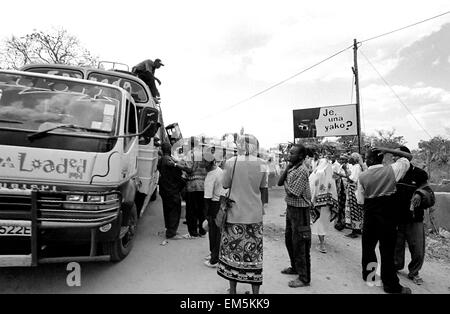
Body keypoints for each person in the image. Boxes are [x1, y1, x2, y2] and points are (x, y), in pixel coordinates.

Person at [356, 147, 413, 294]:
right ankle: (390, 285)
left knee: (368, 248)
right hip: (388, 217)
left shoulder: (362, 176)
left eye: (367, 158)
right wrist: (388, 150)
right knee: (387, 251)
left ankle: (370, 276)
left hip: (370, 216)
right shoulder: (392, 170)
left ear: (371, 160)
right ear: (382, 158)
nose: (366, 160)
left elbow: (360, 200)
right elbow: (408, 157)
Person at [217, 134, 268, 294]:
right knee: (254, 257)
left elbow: (225, 184)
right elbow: (263, 187)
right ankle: (255, 294)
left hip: (235, 215)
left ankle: (232, 291)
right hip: (254, 216)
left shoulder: (232, 162)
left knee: (233, 254)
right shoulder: (262, 164)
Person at [394, 146, 429, 285]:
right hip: (397, 217)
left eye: (397, 156)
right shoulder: (394, 172)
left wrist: (420, 194)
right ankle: (395, 267)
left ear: (406, 158)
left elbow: (427, 190)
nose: (394, 158)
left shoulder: (420, 174)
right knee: (396, 245)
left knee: (418, 249)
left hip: (415, 218)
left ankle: (414, 272)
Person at [278, 143, 312, 288]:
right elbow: (280, 182)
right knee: (289, 240)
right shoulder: (293, 168)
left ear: (300, 156)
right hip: (291, 208)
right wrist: (287, 168)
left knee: (300, 244)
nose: (289, 155)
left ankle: (304, 278)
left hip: (300, 210)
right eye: (289, 152)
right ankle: (295, 267)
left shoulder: (303, 170)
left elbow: (293, 192)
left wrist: (286, 182)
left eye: (292, 153)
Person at [157, 142, 187, 240]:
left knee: (167, 210)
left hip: (164, 190)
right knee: (174, 211)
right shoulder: (170, 162)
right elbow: (178, 176)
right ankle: (171, 233)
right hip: (172, 190)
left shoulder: (161, 160)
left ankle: (169, 229)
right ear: (170, 150)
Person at [310, 158, 339, 253]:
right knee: (323, 222)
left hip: (318, 202)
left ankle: (322, 244)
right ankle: (322, 241)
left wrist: (312, 198)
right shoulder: (330, 175)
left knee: (319, 222)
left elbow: (312, 185)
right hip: (328, 203)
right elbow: (334, 190)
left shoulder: (317, 172)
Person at [203, 153, 226, 268]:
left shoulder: (211, 175)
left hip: (214, 203)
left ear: (208, 163)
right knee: (217, 231)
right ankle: (214, 254)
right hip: (221, 202)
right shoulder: (219, 170)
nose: (202, 165)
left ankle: (214, 259)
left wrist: (207, 215)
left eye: (203, 163)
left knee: (214, 231)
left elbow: (207, 198)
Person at [184, 148, 208, 239]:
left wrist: (178, 165)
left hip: (192, 186)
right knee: (203, 210)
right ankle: (202, 232)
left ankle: (193, 233)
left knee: (191, 211)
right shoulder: (206, 154)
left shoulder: (191, 153)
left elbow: (189, 169)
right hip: (204, 187)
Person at [345, 152, 365, 238]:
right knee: (356, 209)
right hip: (353, 189)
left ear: (354, 159)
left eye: (350, 157)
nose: (349, 159)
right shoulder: (354, 167)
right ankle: (357, 229)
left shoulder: (356, 167)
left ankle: (355, 231)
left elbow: (352, 180)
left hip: (353, 190)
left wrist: (345, 170)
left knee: (354, 210)